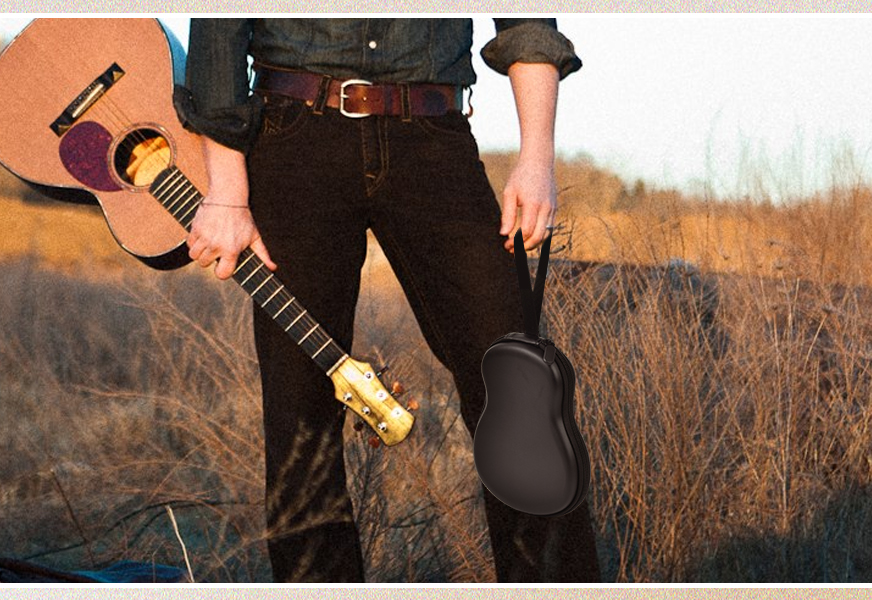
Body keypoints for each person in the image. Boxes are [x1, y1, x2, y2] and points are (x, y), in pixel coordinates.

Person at [172, 18, 601, 583]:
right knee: (299, 412)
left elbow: (527, 22)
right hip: (293, 135)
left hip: (434, 136)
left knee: (522, 383)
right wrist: (227, 188)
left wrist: (537, 156)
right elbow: (219, 28)